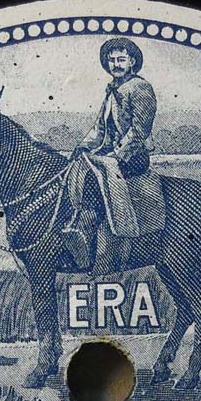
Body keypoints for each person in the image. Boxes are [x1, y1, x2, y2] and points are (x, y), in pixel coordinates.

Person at [62, 38, 157, 274]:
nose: (115, 64)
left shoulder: (140, 88)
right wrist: (82, 147)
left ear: (132, 61)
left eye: (121, 59)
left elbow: (139, 130)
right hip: (110, 154)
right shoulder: (112, 90)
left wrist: (117, 154)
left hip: (133, 155)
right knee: (77, 171)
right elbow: (99, 129)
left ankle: (102, 239)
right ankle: (79, 227)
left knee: (96, 179)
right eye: (112, 60)